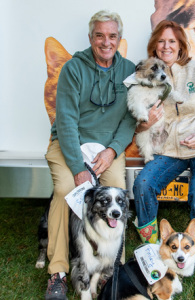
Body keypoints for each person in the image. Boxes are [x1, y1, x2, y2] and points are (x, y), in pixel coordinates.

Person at [44, 10, 135, 300]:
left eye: (112, 36)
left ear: (118, 39)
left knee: (117, 192)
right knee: (65, 189)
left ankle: (112, 272)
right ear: (91, 38)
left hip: (106, 150)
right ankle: (57, 272)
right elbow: (67, 121)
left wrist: (112, 151)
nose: (105, 42)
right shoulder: (73, 69)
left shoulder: (129, 71)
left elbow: (130, 120)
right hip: (69, 145)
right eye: (99, 35)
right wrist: (76, 166)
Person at [132, 20, 195, 299]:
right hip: (169, 150)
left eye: (172, 41)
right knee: (143, 184)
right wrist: (145, 125)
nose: (166, 46)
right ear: (154, 46)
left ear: (181, 45)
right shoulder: (147, 77)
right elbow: (137, 121)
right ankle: (154, 261)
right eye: (161, 41)